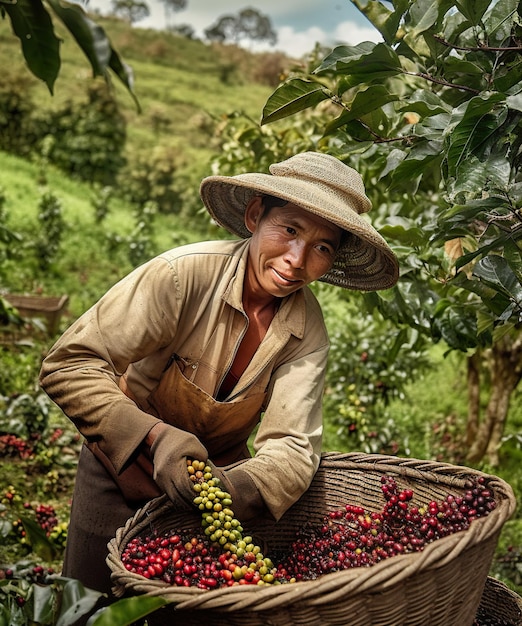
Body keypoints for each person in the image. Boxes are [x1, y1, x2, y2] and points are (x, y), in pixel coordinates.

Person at [39, 151, 399, 596]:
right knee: (89, 602)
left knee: (189, 608)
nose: (296, 259)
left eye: (322, 248)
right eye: (289, 230)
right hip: (124, 462)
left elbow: (292, 445)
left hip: (215, 483)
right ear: (254, 216)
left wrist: (231, 489)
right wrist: (156, 436)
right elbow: (70, 361)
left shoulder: (306, 331)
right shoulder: (181, 276)